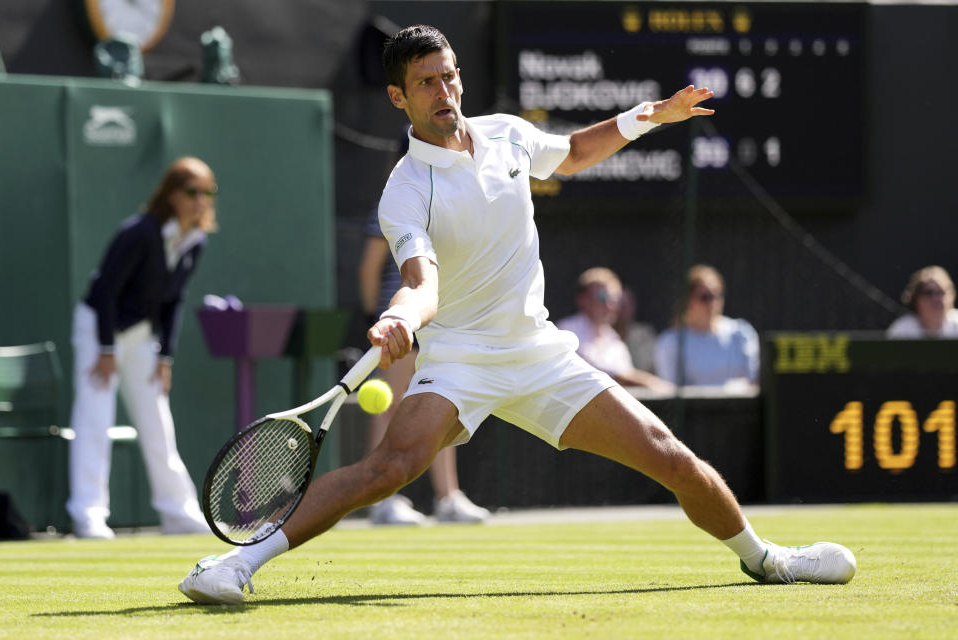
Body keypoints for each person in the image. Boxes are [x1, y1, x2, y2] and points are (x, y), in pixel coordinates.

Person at [179, 25, 855, 604]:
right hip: (460, 360)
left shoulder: (507, 137)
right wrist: (402, 318)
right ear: (398, 98)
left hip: (539, 354)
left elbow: (577, 152)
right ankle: (237, 563)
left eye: (449, 77)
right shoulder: (407, 190)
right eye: (426, 84)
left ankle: (766, 558)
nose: (444, 94)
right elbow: (422, 282)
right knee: (386, 470)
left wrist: (651, 115)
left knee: (668, 456)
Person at [67, 157, 219, 539]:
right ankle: (88, 514)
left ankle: (178, 513)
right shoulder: (139, 233)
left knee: (157, 423)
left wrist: (164, 356)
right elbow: (105, 291)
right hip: (99, 330)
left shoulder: (194, 241)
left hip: (141, 338)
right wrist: (105, 349)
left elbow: (174, 301)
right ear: (171, 194)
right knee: (94, 419)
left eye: (207, 193)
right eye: (192, 192)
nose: (200, 200)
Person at [358, 206, 490, 524]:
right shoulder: (394, 200)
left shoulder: (452, 201)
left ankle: (448, 498)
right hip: (401, 321)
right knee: (388, 403)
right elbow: (370, 268)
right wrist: (377, 319)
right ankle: (382, 500)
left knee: (443, 404)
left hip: (443, 320)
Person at [556, 267, 672, 392]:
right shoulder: (566, 331)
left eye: (615, 299)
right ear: (582, 300)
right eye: (602, 297)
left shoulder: (614, 341)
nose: (609, 305)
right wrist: (649, 382)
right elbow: (601, 375)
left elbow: (623, 378)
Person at [654, 264, 760, 389]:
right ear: (688, 300)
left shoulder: (741, 333)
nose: (713, 303)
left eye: (718, 295)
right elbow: (670, 389)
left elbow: (753, 381)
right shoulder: (671, 342)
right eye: (705, 297)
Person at [887, 265, 958, 338]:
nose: (936, 298)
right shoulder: (901, 330)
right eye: (929, 293)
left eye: (941, 292)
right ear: (916, 299)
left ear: (952, 295)